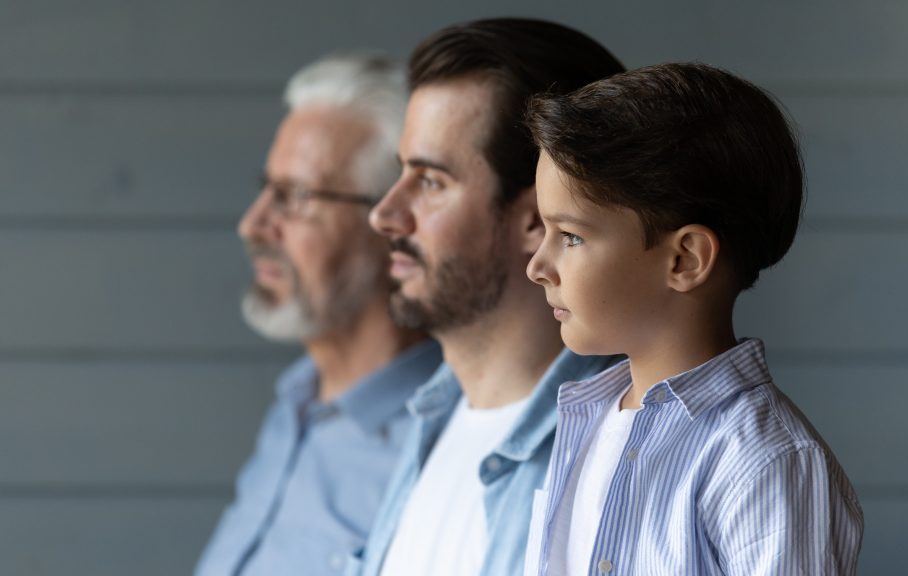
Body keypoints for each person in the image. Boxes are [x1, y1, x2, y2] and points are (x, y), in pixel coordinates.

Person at [522, 62, 864, 575]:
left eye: (571, 236)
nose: (537, 267)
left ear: (685, 259)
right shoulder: (587, 420)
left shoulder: (766, 462)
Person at [348, 18, 625, 576]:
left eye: (429, 181)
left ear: (537, 216)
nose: (384, 214)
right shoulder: (433, 417)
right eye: (402, 172)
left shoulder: (621, 457)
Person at [195, 54, 441, 576]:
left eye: (297, 196)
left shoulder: (438, 451)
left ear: (392, 222)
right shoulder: (295, 405)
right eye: (266, 189)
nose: (253, 225)